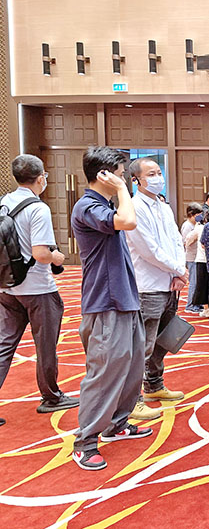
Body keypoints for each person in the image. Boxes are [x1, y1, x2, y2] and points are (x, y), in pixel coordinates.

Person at [71, 146, 152, 470]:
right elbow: (128, 221)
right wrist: (121, 190)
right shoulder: (87, 207)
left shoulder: (103, 205)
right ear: (103, 175)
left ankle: (116, 424)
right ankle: (85, 441)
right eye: (120, 174)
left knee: (131, 368)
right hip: (105, 302)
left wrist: (118, 191)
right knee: (104, 372)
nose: (125, 179)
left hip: (124, 299)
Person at [0, 154, 78, 428]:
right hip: (37, 288)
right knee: (45, 345)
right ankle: (51, 396)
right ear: (41, 177)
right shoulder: (37, 208)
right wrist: (58, 257)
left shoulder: (4, 202)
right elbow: (41, 253)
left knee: (4, 345)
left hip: (7, 285)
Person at [126, 157, 187, 421]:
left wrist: (178, 272)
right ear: (136, 180)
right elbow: (148, 250)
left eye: (158, 172)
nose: (157, 178)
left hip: (170, 283)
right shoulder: (134, 208)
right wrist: (178, 269)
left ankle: (154, 385)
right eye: (150, 174)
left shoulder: (163, 206)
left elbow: (176, 240)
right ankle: (132, 400)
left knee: (164, 339)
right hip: (148, 285)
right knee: (143, 345)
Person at [181, 202, 204, 313]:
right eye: (198, 215)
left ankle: (197, 303)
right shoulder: (187, 226)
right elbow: (186, 242)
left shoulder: (195, 225)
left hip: (196, 256)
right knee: (193, 282)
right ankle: (190, 305)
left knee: (198, 282)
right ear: (192, 215)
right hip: (191, 257)